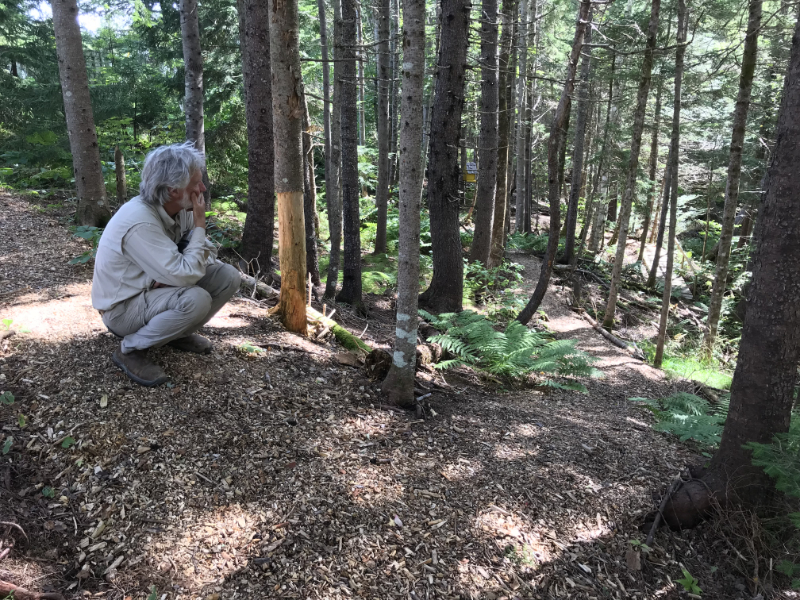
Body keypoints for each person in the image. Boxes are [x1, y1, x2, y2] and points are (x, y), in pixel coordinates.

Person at [91, 143, 240, 387]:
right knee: (195, 298)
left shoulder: (179, 209)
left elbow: (209, 253)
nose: (202, 189)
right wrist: (200, 227)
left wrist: (182, 263)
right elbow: (188, 273)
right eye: (196, 184)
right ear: (173, 190)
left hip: (153, 292)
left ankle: (173, 334)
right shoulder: (140, 222)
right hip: (123, 309)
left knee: (228, 276)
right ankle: (130, 350)